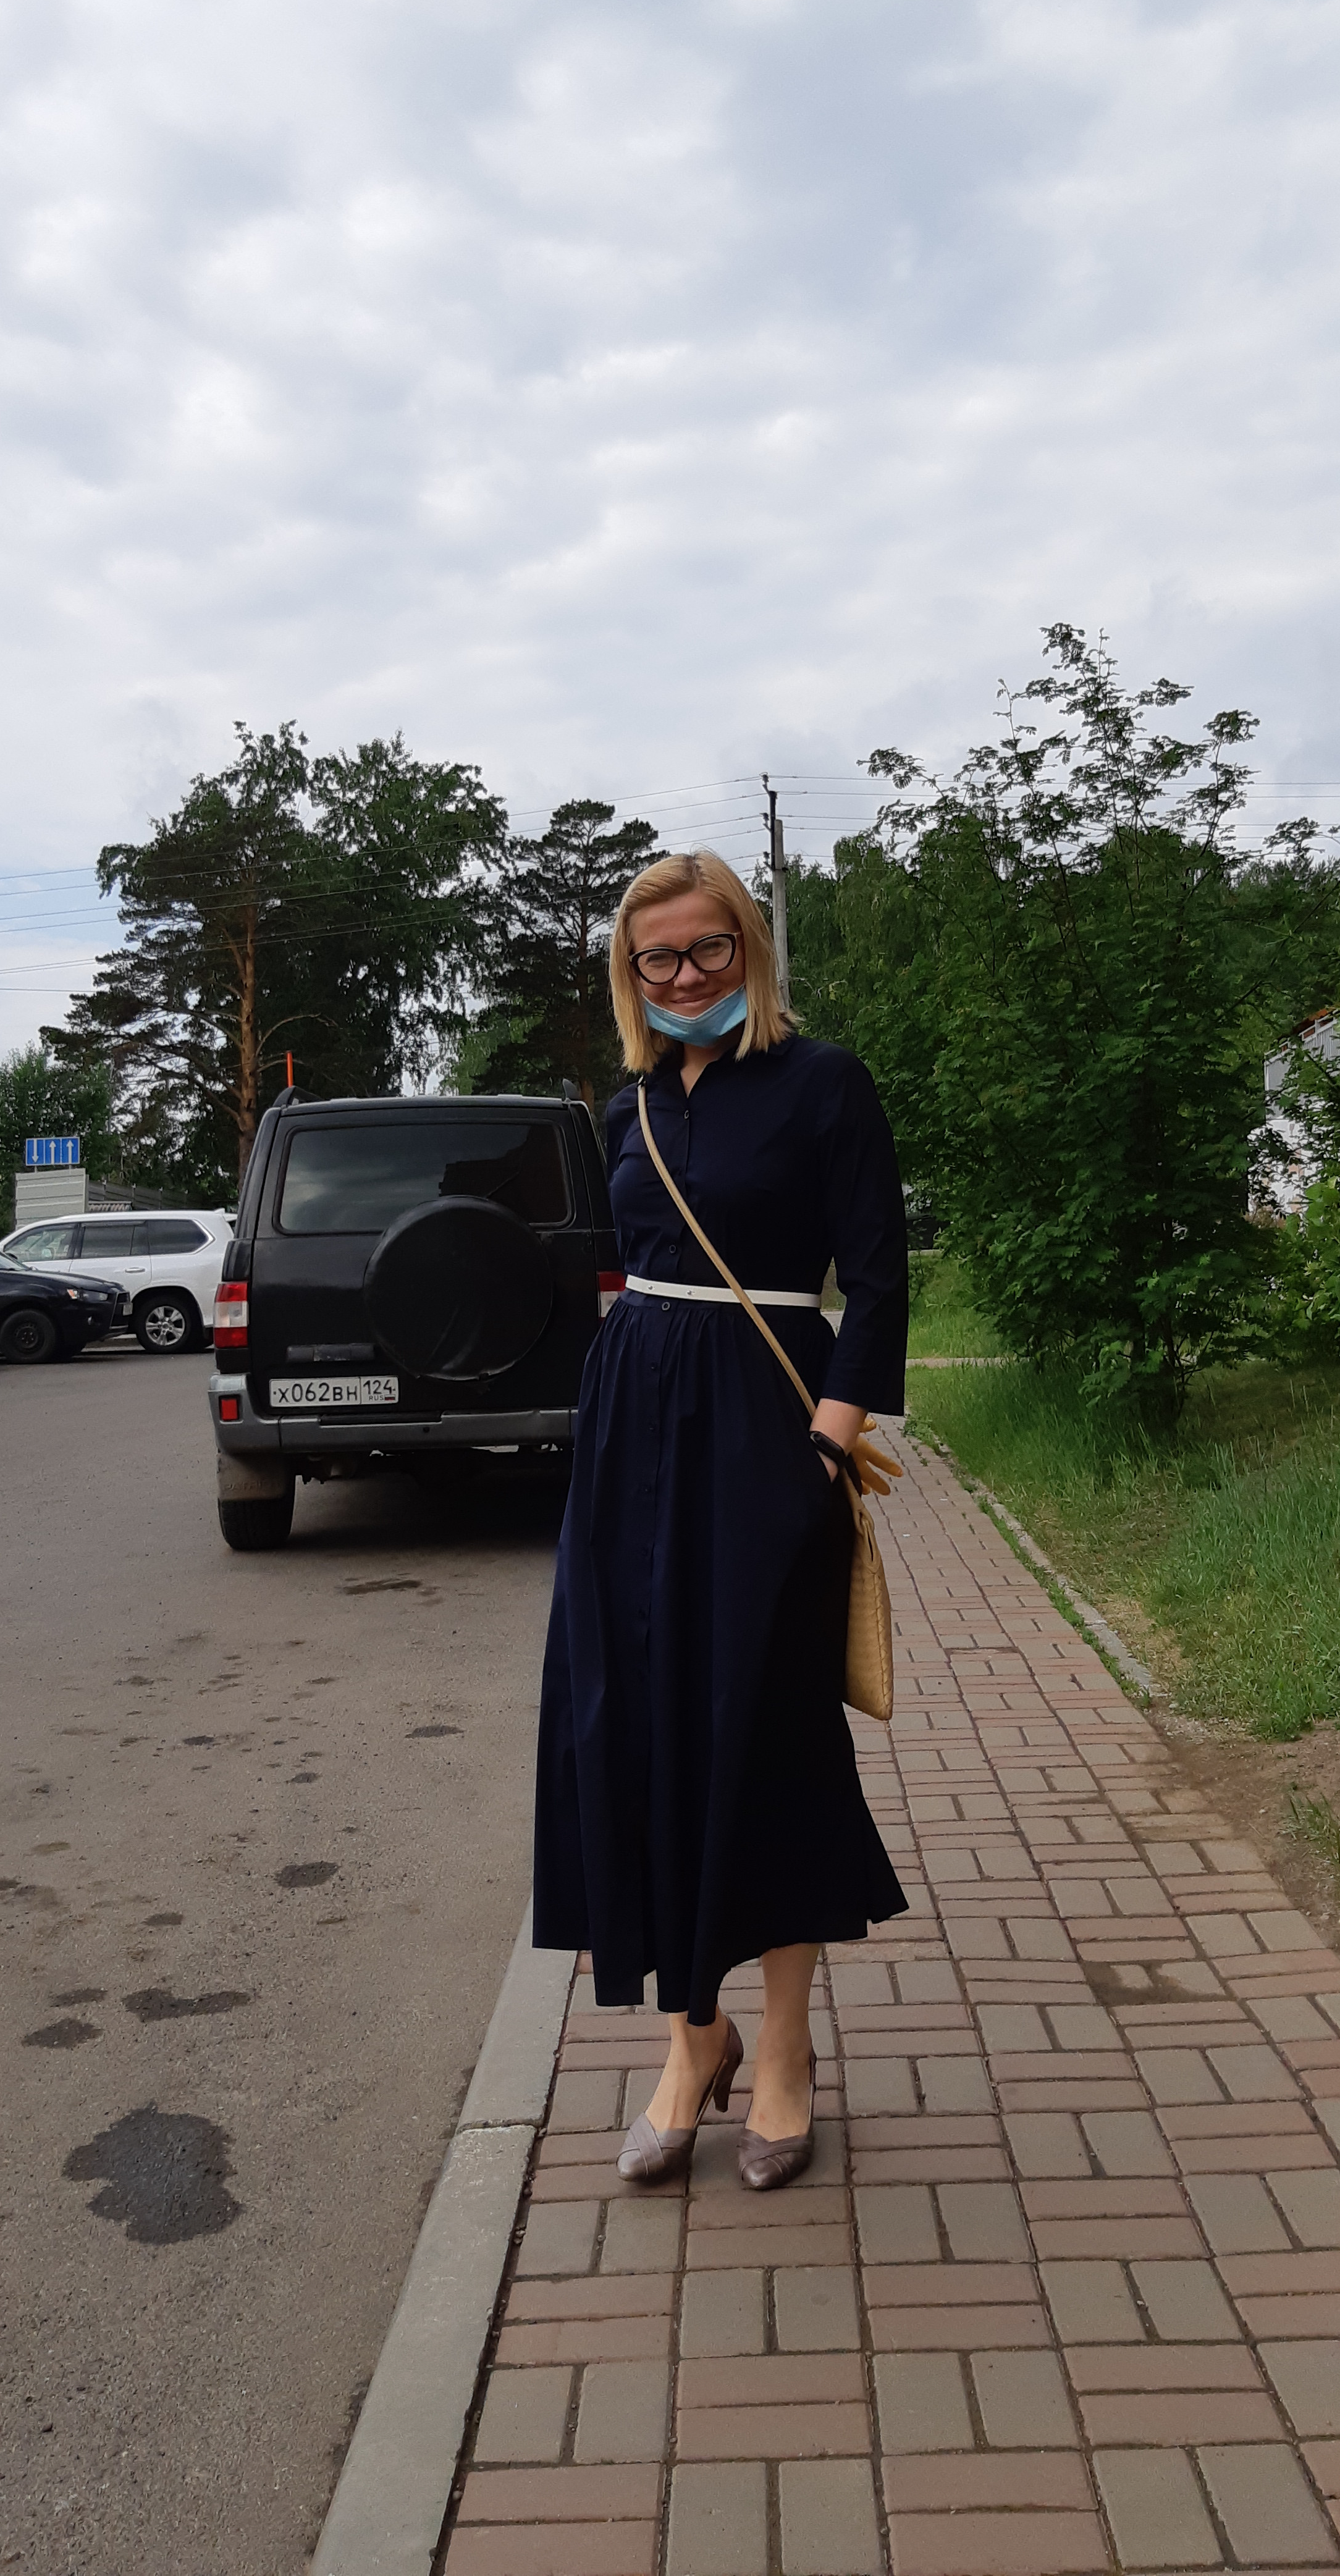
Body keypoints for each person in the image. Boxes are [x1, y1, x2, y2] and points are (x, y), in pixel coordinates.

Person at [532, 849, 910, 2192]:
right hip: (630, 1439)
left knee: (769, 1735)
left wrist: (825, 1447)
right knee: (624, 1729)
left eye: (710, 949)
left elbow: (877, 1281)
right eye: (659, 958)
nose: (686, 976)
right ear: (629, 974)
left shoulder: (823, 1083)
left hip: (766, 1438)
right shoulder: (626, 1106)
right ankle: (695, 2042)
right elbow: (620, 1274)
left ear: (749, 947)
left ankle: (788, 2052)